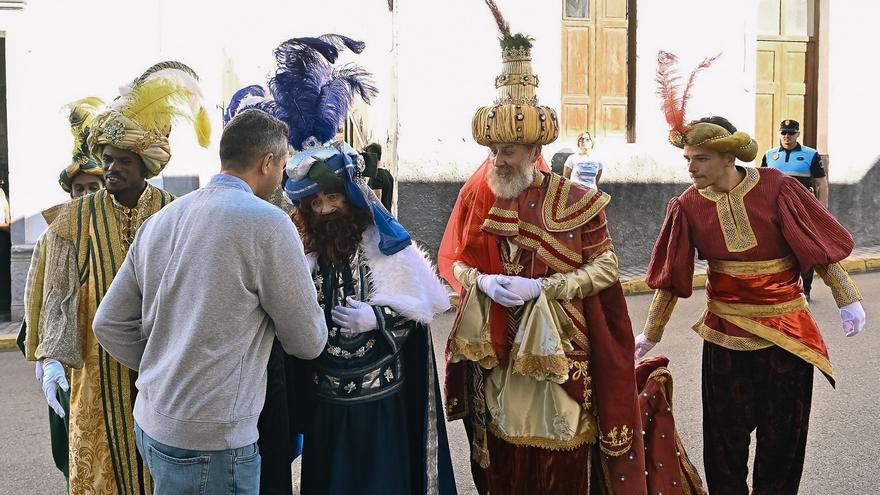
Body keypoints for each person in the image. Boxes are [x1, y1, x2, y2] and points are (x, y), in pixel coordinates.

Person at [634, 51, 867, 494]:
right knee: (724, 443)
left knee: (783, 441)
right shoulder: (686, 206)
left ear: (726, 156)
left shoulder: (778, 188)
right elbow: (671, 276)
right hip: (725, 335)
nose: (691, 168)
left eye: (699, 159)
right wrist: (652, 332)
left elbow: (817, 249)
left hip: (787, 333)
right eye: (687, 159)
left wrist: (848, 297)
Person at [438, 3, 648, 493]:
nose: (498, 160)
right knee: (502, 458)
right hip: (498, 349)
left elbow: (606, 268)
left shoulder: (577, 200)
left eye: (507, 151)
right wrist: (483, 280)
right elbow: (461, 262)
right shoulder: (484, 194)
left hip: (563, 352)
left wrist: (544, 289)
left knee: (560, 461)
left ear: (535, 153)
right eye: (493, 151)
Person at [92, 108, 328, 494]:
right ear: (268, 162)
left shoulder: (164, 219)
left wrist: (167, 366)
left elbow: (108, 323)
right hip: (212, 440)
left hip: (153, 421)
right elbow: (307, 341)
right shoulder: (267, 222)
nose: (282, 177)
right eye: (283, 166)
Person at [266, 35, 456, 495]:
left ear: (349, 197)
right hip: (326, 405)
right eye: (315, 202)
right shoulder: (298, 246)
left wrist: (379, 316)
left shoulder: (381, 240)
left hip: (381, 403)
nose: (326, 209)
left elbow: (421, 307)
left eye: (333, 197)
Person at [22, 61, 210, 494]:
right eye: (107, 160)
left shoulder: (175, 212)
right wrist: (53, 359)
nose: (111, 169)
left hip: (163, 368)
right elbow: (59, 293)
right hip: (95, 367)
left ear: (146, 164)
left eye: (123, 161)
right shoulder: (75, 218)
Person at [18, 97, 106, 484]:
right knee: (75, 453)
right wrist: (47, 360)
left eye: (93, 187)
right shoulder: (52, 238)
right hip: (71, 362)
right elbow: (36, 303)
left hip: (113, 358)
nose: (85, 196)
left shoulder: (116, 233)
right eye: (79, 189)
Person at [760, 119, 829, 300]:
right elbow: (760, 182)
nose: (787, 137)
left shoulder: (811, 154)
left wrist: (822, 208)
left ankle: (804, 289)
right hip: (774, 209)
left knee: (804, 247)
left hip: (802, 208)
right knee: (776, 248)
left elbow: (821, 181)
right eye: (784, 133)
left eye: (791, 133)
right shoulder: (769, 155)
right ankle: (779, 287)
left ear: (798, 134)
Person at [365, 142, 395, 210]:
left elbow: (376, 204)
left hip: (380, 218)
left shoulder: (375, 176)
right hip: (387, 215)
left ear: (371, 157)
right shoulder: (388, 174)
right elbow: (391, 201)